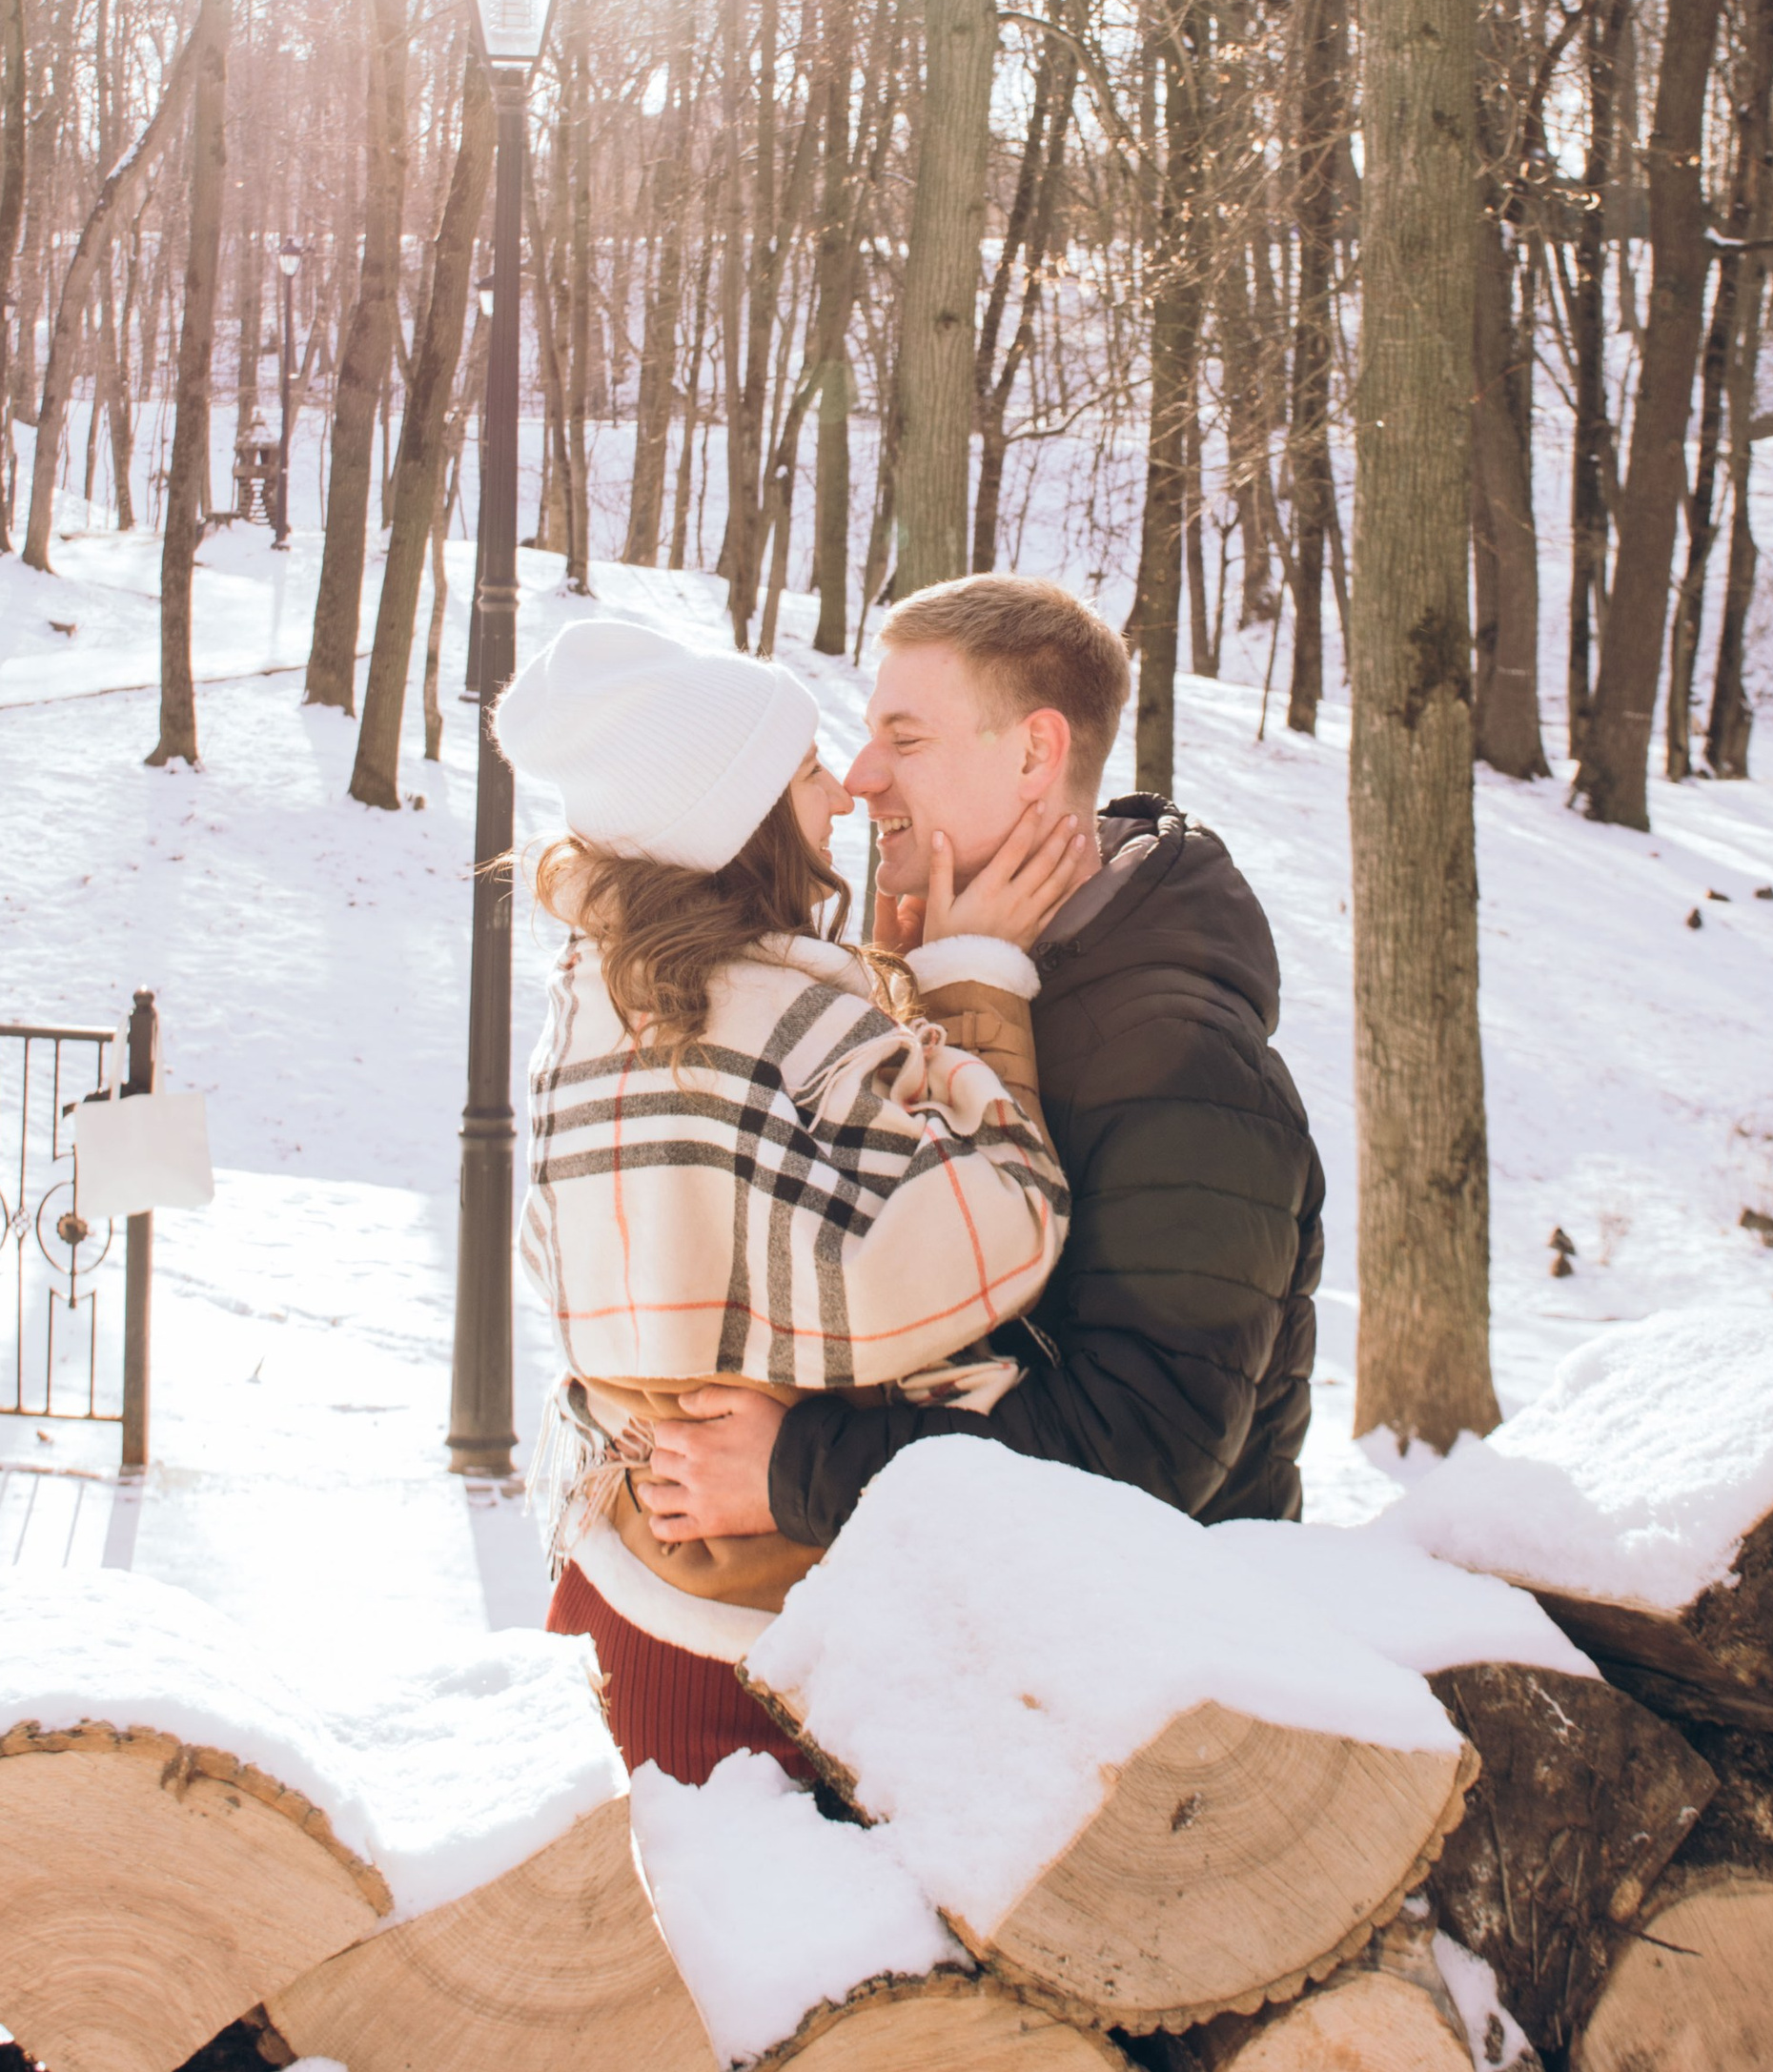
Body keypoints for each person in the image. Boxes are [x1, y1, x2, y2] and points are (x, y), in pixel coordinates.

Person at [498, 613, 1090, 1782]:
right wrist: (967, 991)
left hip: (633, 1584)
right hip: (780, 1644)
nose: (843, 796)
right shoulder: (780, 1015)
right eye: (811, 771)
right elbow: (988, 1234)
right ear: (746, 819)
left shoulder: (591, 1007)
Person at [640, 573, 1326, 1559]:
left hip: (1128, 1672)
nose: (863, 775)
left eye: (906, 740)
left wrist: (793, 1469)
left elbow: (1143, 1456)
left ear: (1037, 754)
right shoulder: (977, 985)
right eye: (870, 736)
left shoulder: (1180, 1058)